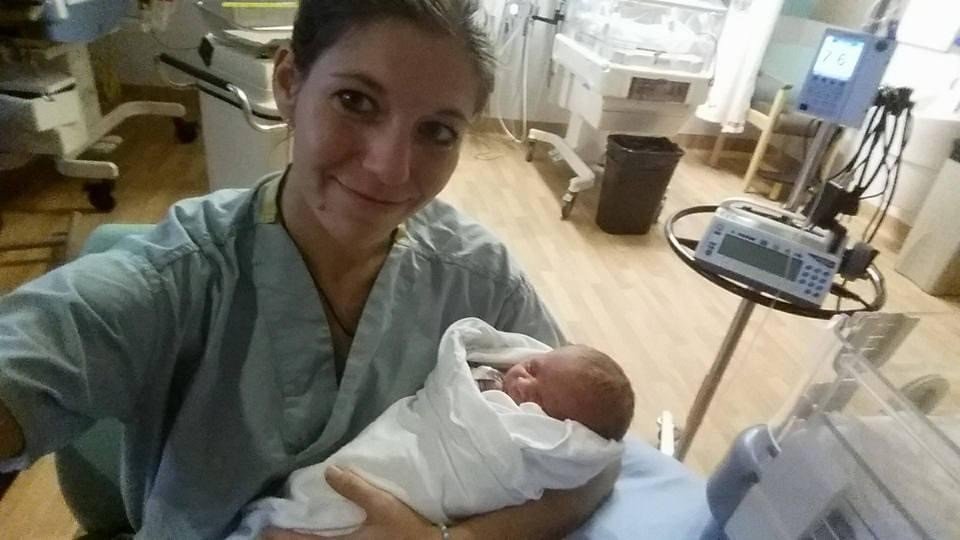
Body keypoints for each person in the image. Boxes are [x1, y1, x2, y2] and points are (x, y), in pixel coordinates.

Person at [0, 0, 619, 538]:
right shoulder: (174, 279)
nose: (390, 167)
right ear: (290, 81)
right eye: (356, 101)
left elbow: (595, 456)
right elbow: (32, 356)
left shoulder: (479, 280)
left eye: (437, 131)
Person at [227, 318, 634, 539]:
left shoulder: (485, 272)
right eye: (531, 369)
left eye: (539, 403)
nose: (523, 383)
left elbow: (600, 462)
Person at [473, 343, 635, 441]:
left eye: (536, 400)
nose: (522, 383)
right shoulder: (497, 369)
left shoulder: (513, 431)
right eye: (531, 369)